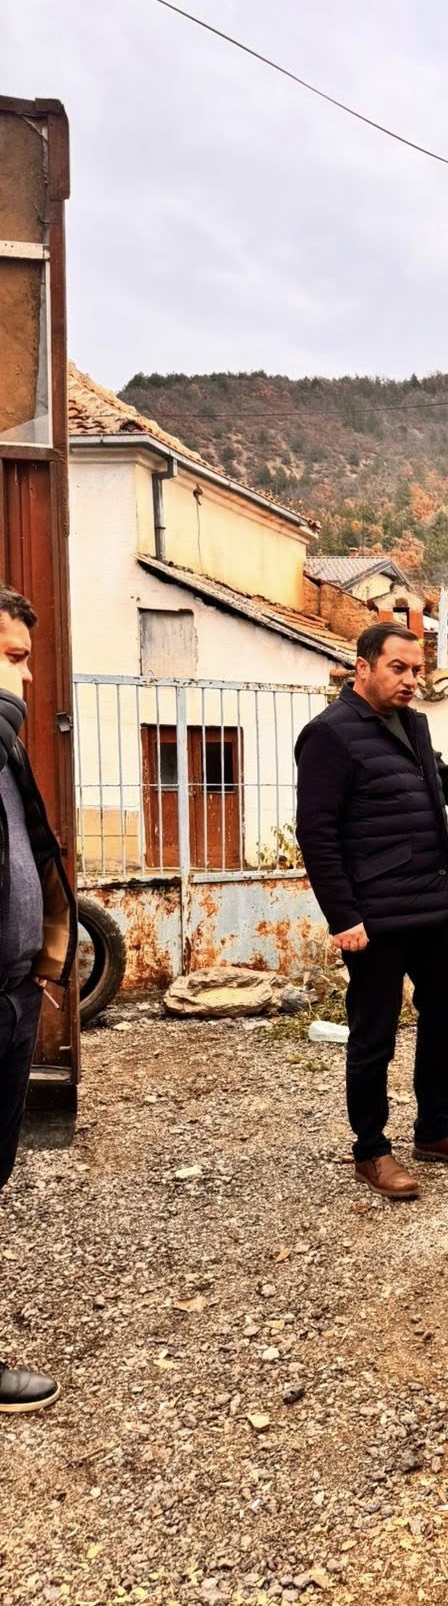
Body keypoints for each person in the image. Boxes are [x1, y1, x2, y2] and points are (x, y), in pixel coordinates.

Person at [296, 623, 448, 1202]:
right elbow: (317, 834)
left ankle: (435, 1129)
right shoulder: (329, 735)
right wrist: (343, 917)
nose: (411, 679)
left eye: (416, 669)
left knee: (447, 1016)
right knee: (374, 1035)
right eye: (398, 668)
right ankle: (371, 1149)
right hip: (375, 917)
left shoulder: (412, 723)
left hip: (432, 904)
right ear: (363, 667)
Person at [0, 587, 77, 1414]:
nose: (24, 680)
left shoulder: (8, 751)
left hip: (15, 994)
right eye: (12, 658)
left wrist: (39, 968)